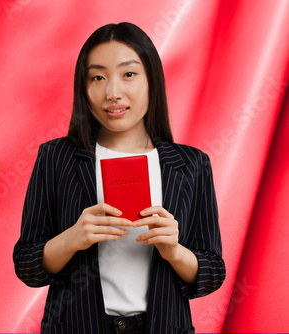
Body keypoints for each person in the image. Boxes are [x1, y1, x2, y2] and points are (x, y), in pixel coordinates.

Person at [13, 22, 225, 334]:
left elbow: (213, 272)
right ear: (84, 87)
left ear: (151, 80)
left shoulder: (191, 164)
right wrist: (72, 239)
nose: (113, 93)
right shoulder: (56, 157)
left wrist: (174, 251)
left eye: (128, 74)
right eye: (98, 77)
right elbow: (27, 265)